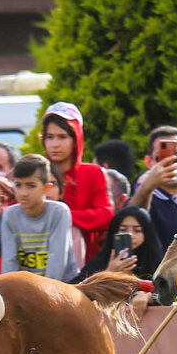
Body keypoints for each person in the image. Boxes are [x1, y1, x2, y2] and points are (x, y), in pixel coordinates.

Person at [41, 102, 114, 257]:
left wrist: (62, 215)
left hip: (86, 264)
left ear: (76, 139)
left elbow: (105, 215)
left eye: (62, 137)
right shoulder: (36, 172)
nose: (55, 144)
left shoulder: (93, 173)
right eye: (49, 137)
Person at [0, 154, 76, 280]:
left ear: (47, 188)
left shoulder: (59, 212)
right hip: (29, 288)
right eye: (18, 185)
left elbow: (57, 259)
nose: (23, 193)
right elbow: (9, 261)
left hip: (65, 285)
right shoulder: (10, 215)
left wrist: (46, 295)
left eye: (31, 185)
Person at [130, 126, 177, 251]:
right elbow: (132, 216)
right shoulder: (145, 198)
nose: (170, 163)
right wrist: (147, 186)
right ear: (149, 162)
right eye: (160, 157)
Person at [73, 205, 161, 282]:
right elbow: (77, 289)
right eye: (123, 230)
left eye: (137, 230)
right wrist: (108, 273)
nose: (130, 235)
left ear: (146, 233)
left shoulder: (156, 263)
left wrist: (148, 296)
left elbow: (165, 292)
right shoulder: (101, 260)